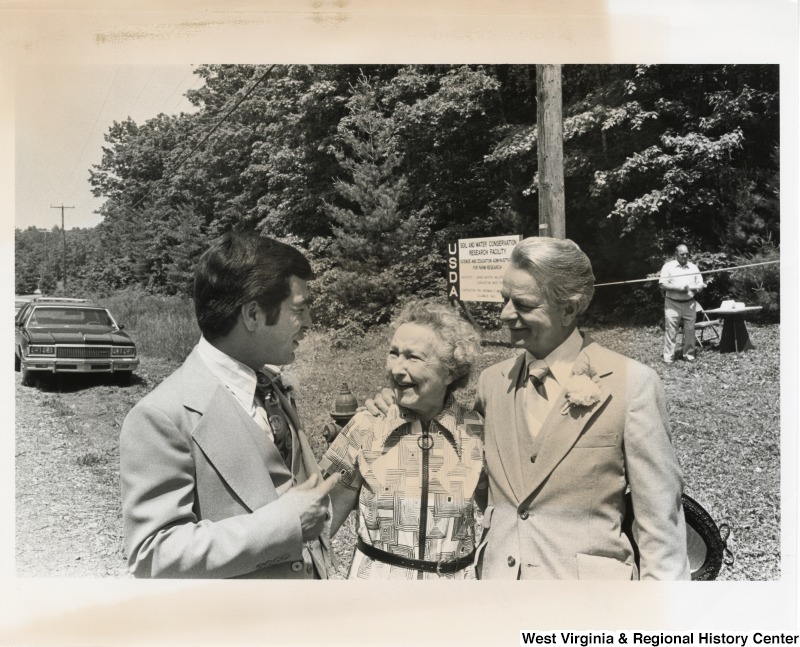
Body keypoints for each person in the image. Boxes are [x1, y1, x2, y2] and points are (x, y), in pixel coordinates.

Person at [370, 237, 690, 580]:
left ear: (569, 308)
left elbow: (660, 527)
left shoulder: (633, 384)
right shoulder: (492, 384)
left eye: (522, 304)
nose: (505, 314)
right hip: (499, 597)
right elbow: (462, 464)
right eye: (504, 299)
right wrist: (401, 405)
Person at [120, 232, 339, 578]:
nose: (310, 322)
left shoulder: (271, 385)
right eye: (299, 309)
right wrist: (285, 525)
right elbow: (153, 555)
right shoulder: (161, 416)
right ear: (253, 315)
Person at [319, 300, 487, 579]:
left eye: (413, 357)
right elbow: (321, 523)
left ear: (451, 370)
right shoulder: (367, 425)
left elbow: (502, 518)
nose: (397, 369)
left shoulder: (475, 431)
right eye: (394, 354)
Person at [659, 244, 706, 363]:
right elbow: (662, 284)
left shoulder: (694, 267)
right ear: (676, 254)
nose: (685, 256)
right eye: (682, 254)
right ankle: (668, 357)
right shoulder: (668, 267)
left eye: (687, 254)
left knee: (690, 330)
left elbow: (701, 284)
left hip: (689, 303)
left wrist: (696, 289)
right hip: (672, 303)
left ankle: (689, 355)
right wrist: (679, 288)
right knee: (671, 330)